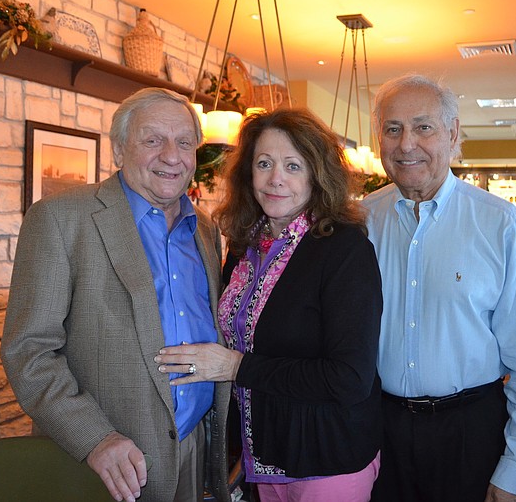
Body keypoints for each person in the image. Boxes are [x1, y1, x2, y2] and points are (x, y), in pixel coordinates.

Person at [1, 88, 231, 502]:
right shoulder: (59, 218)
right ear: (119, 149)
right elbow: (28, 351)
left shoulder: (207, 230)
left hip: (195, 448)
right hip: (108, 463)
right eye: (152, 140)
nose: (171, 155)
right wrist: (96, 439)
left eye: (184, 142)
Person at [155, 108, 384, 501]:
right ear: (249, 174)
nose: (276, 178)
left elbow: (350, 377)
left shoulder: (345, 249)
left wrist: (236, 367)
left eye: (293, 166)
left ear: (316, 175)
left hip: (325, 459)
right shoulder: (246, 245)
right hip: (259, 455)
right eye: (264, 164)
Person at [363, 74, 516, 502]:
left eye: (423, 127)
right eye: (392, 129)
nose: (405, 144)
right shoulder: (357, 222)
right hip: (376, 428)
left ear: (452, 134)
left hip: (470, 432)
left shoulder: (500, 223)